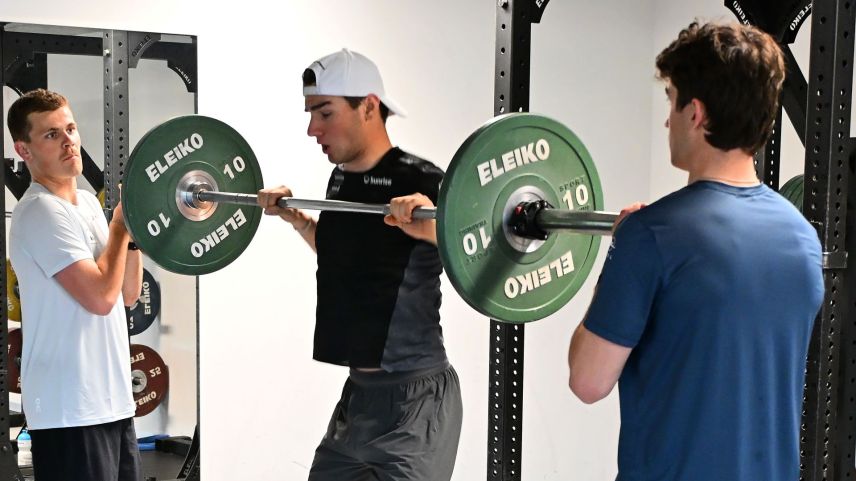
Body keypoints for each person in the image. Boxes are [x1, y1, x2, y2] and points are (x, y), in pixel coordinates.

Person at [567, 21, 824, 481]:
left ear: (696, 113)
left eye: (671, 99)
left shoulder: (649, 236)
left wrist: (616, 256)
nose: (667, 120)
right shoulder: (804, 240)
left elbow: (588, 381)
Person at [257, 49, 462, 481]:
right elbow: (347, 256)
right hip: (360, 397)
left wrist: (428, 220)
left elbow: (466, 246)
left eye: (324, 113)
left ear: (368, 106)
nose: (313, 129)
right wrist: (296, 218)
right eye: (311, 114)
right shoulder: (342, 178)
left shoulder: (423, 180)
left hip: (416, 399)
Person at [7, 89, 143, 481]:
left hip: (114, 402)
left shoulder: (85, 203)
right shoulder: (38, 211)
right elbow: (100, 298)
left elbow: (128, 292)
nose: (69, 141)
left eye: (70, 128)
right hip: (69, 410)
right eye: (52, 134)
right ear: (24, 149)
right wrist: (119, 223)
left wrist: (131, 228)